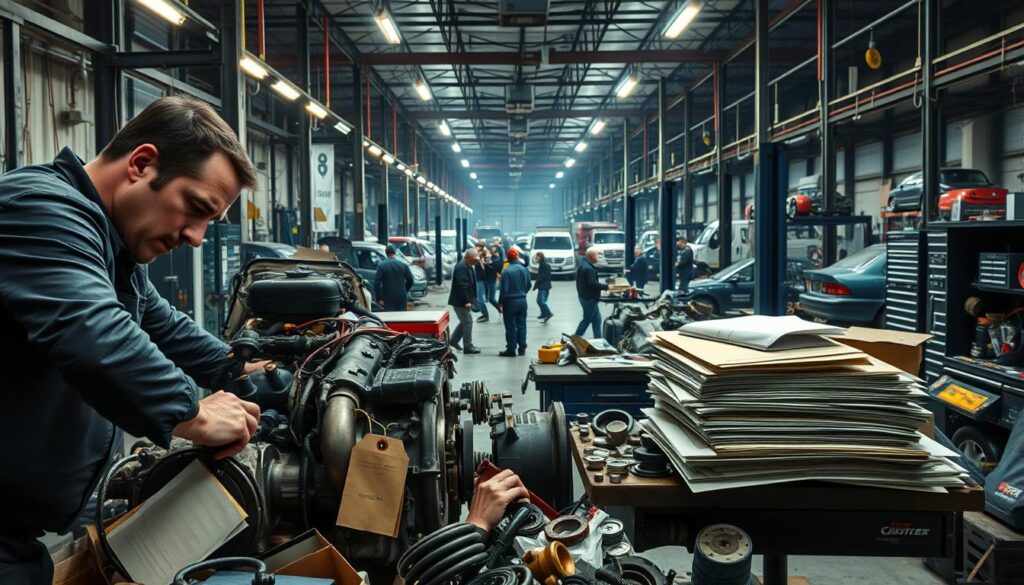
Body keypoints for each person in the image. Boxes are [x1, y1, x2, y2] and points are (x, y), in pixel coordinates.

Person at [0, 96, 268, 584]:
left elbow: (160, 325)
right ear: (141, 164)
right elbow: (94, 336)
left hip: (22, 536)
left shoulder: (111, 245)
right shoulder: (40, 209)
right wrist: (197, 413)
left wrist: (241, 370)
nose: (197, 236)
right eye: (195, 208)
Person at [498, 248, 531, 357]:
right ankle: (522, 347)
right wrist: (522, 293)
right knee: (522, 325)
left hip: (510, 303)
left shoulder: (506, 272)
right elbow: (528, 285)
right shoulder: (524, 269)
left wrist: (500, 303)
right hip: (522, 301)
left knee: (511, 326)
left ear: (508, 258)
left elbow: (504, 291)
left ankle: (511, 349)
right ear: (517, 256)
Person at [449, 249, 481, 354]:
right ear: (467, 257)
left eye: (477, 260)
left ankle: (453, 340)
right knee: (468, 322)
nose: (475, 262)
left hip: (464, 300)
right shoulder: (461, 268)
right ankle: (468, 346)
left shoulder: (468, 264)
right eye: (474, 260)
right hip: (461, 301)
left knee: (465, 321)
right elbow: (462, 287)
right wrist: (467, 301)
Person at [575, 249, 609, 338]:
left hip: (584, 296)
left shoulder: (583, 265)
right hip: (589, 298)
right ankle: (575, 338)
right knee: (587, 319)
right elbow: (592, 284)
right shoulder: (589, 269)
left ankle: (598, 340)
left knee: (597, 319)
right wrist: (607, 287)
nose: (598, 257)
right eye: (597, 255)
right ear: (591, 256)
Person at [375, 244, 413, 311]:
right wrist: (405, 290)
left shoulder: (381, 266)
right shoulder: (403, 265)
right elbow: (410, 280)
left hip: (387, 296)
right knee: (402, 317)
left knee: (390, 317)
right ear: (395, 253)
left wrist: (378, 298)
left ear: (386, 253)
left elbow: (377, 283)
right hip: (401, 295)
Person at [533, 252, 553, 322]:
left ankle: (548, 313)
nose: (536, 259)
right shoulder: (542, 264)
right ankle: (544, 313)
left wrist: (535, 285)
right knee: (539, 301)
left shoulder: (544, 265)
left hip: (544, 286)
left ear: (540, 257)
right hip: (543, 286)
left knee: (541, 301)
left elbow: (542, 277)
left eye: (537, 257)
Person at [474, 242, 490, 322]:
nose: (476, 248)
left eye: (477, 247)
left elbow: (484, 268)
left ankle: (485, 314)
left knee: (480, 299)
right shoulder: (478, 256)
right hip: (478, 279)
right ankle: (482, 312)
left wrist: (481, 260)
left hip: (481, 279)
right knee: (478, 298)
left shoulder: (483, 256)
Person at [484, 245, 502, 314]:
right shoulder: (491, 257)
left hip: (492, 279)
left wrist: (486, 262)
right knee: (489, 298)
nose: (491, 250)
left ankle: (500, 308)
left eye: (493, 249)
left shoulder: (499, 259)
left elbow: (494, 267)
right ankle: (500, 308)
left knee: (491, 298)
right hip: (487, 279)